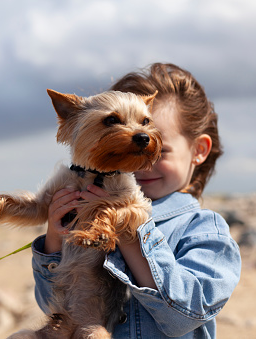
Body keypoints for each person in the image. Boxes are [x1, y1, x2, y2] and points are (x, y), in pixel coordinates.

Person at [31, 63, 241, 338]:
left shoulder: (204, 230)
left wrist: (130, 234)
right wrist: (55, 242)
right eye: (116, 144)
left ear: (198, 151)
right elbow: (53, 307)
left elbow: (184, 316)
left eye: (157, 149)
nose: (140, 165)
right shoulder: (87, 210)